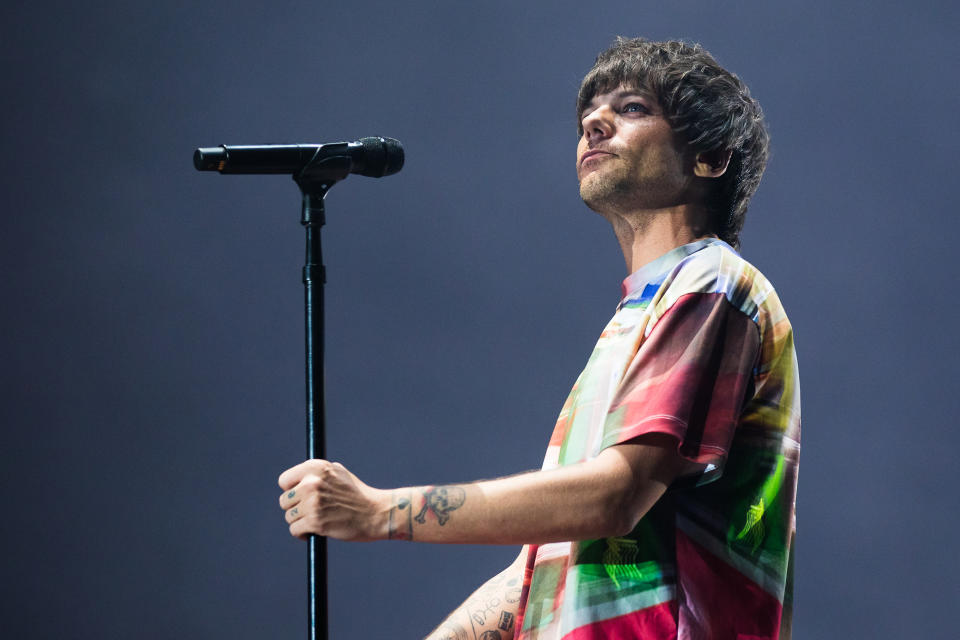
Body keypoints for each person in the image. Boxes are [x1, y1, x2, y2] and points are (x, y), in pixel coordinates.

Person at [277, 37, 800, 640]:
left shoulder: (713, 284)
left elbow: (612, 497)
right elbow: (548, 561)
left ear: (710, 157)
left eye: (630, 109)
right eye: (588, 116)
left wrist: (378, 512)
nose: (594, 123)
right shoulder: (644, 313)